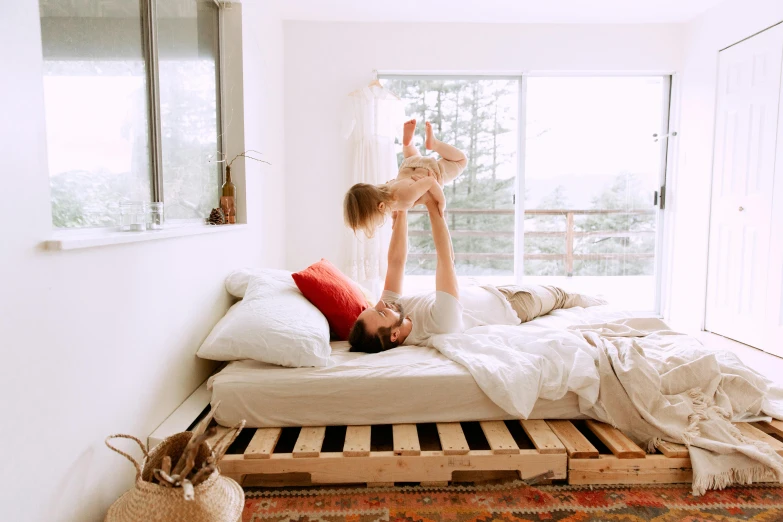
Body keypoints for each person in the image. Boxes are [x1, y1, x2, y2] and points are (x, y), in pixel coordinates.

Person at [347, 193, 605, 353]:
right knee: (565, 296)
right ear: (394, 335)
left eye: (375, 306)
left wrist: (401, 210)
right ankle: (603, 307)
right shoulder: (438, 325)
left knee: (570, 297)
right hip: (515, 303)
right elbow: (445, 260)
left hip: (488, 289)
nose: (382, 302)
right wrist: (432, 207)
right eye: (381, 312)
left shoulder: (395, 308)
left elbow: (395, 262)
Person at [343, 119, 467, 238]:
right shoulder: (385, 191)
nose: (376, 224)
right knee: (413, 157)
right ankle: (408, 145)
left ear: (381, 207)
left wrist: (441, 201)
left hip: (430, 170)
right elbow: (392, 206)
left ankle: (434, 143)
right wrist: (395, 219)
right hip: (408, 164)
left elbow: (430, 181)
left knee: (461, 161)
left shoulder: (405, 197)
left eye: (374, 222)